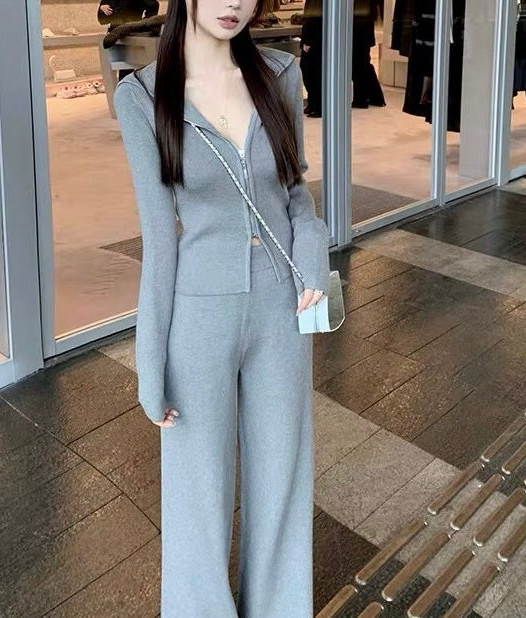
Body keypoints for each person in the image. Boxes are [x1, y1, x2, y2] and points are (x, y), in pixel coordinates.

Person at [113, 1, 330, 615]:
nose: (233, 3)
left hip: (281, 310)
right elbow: (160, 239)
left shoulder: (279, 74)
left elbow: (295, 191)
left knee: (281, 480)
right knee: (198, 498)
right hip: (198, 319)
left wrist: (312, 254)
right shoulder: (142, 98)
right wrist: (149, 363)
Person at [98, 0, 160, 80]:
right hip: (113, 37)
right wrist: (101, 9)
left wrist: (143, 24)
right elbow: (102, 21)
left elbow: (154, 5)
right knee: (114, 68)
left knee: (129, 67)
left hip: (131, 34)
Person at [352, 0, 386, 107]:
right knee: (361, 63)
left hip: (360, 24)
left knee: (360, 63)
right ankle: (372, 97)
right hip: (362, 23)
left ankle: (364, 98)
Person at [300, 0, 323, 117]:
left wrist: (308, 41)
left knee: (313, 74)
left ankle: (318, 106)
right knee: (308, 73)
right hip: (311, 36)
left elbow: (314, 20)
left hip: (314, 40)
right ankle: (313, 103)